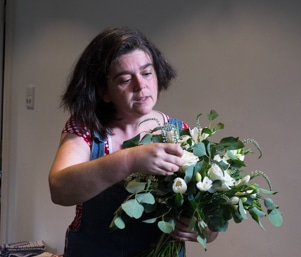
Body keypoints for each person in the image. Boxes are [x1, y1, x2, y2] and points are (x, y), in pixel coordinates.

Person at [49, 26, 218, 257]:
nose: (140, 86)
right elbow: (59, 189)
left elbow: (209, 224)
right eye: (125, 79)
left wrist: (202, 228)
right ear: (103, 91)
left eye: (147, 73)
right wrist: (130, 160)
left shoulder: (183, 133)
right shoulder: (85, 128)